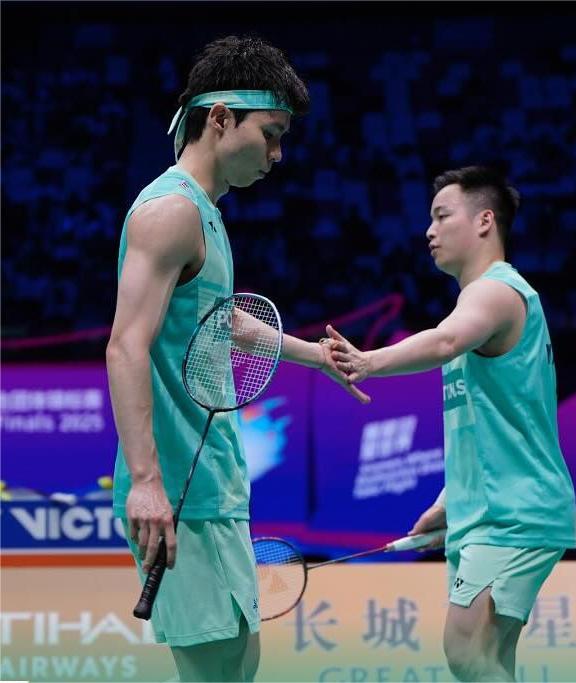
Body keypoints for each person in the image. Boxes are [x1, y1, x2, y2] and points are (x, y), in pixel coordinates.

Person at [106, 35, 369, 683]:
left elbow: (221, 321)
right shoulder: (170, 212)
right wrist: (145, 481)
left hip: (213, 484)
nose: (277, 155)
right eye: (270, 134)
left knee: (239, 662)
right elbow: (125, 345)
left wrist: (315, 357)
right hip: (178, 492)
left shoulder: (206, 215)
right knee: (214, 669)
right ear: (221, 118)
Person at [325, 166, 576, 682]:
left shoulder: (497, 292)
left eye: (442, 216)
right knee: (491, 659)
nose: (429, 231)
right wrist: (449, 502)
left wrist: (368, 361)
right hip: (492, 509)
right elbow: (490, 429)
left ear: (485, 221)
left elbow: (443, 341)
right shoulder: (481, 303)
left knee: (465, 652)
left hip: (513, 513)